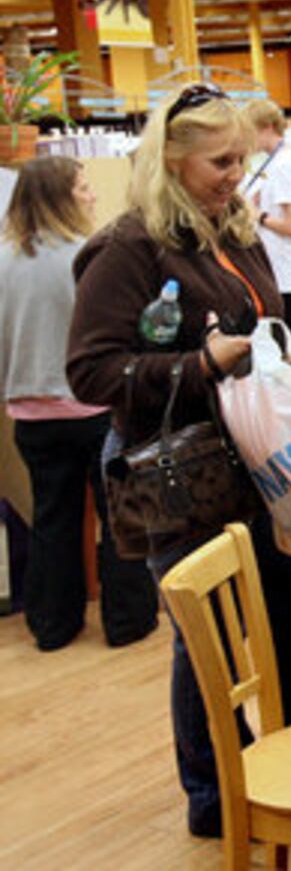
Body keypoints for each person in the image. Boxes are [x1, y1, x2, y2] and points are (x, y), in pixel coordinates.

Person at [66, 84, 291, 838]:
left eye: (241, 159)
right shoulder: (130, 249)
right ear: (172, 161)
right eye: (220, 161)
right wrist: (199, 365)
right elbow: (90, 372)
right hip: (179, 473)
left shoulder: (231, 231)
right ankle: (216, 791)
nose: (234, 174)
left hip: (253, 461)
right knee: (209, 637)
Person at [0, 157, 156, 651]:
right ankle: (127, 621)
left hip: (29, 413)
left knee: (52, 518)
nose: (91, 195)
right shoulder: (88, 257)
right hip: (92, 408)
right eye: (84, 187)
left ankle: (51, 625)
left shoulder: (3, 259)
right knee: (119, 518)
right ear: (63, 197)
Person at [240, 100, 291, 351]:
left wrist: (258, 216)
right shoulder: (279, 162)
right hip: (286, 274)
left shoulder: (284, 165)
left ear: (265, 127)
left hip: (290, 276)